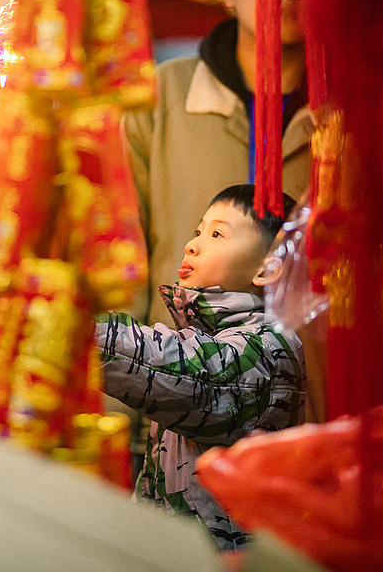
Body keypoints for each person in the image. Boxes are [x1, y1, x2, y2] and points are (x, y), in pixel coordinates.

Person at [96, 184, 306, 551]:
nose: (192, 245)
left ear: (268, 267)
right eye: (198, 231)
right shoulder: (208, 335)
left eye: (216, 234)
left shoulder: (268, 348)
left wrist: (75, 321)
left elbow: (185, 370)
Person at [124, 0, 312, 328]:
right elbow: (124, 242)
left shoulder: (348, 108)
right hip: (175, 352)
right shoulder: (160, 95)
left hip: (304, 357)